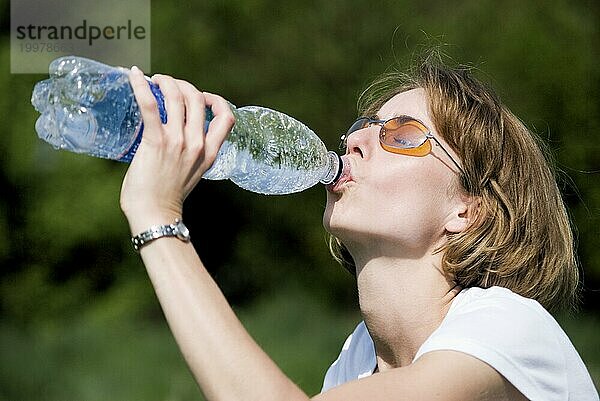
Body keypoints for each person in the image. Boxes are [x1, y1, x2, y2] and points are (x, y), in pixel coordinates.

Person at [121, 50, 599, 400]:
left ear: (468, 208)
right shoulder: (358, 362)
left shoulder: (510, 327)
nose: (354, 139)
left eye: (404, 134)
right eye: (363, 125)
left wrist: (158, 218)